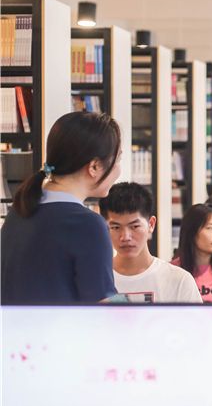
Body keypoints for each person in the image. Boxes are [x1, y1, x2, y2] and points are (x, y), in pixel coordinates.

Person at [1, 112, 121, 304]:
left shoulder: (18, 212)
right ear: (94, 167)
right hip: (62, 325)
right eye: (117, 159)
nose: (118, 170)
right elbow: (103, 306)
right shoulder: (88, 224)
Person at [100, 182, 201, 303]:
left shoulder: (179, 280)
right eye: (116, 227)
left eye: (134, 226)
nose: (125, 237)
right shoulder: (94, 280)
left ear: (151, 224)